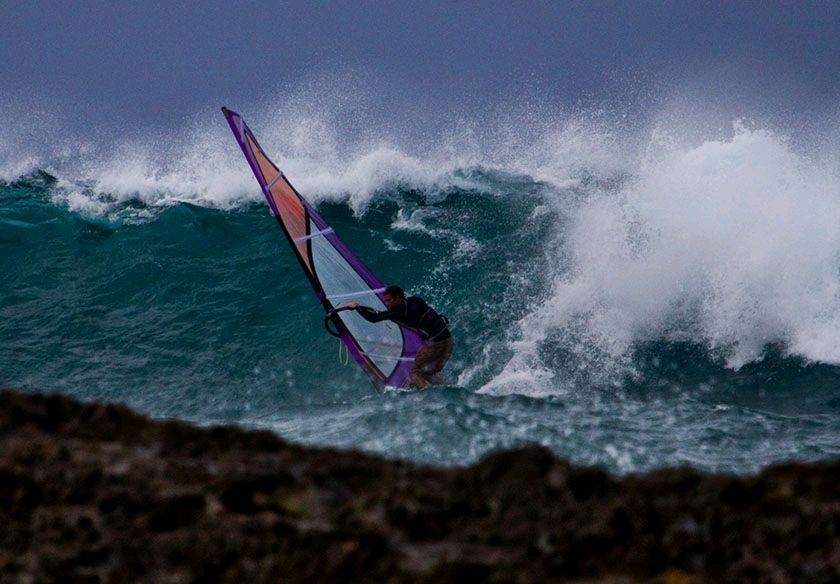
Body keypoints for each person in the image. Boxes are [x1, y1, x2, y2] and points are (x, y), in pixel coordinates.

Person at [344, 285, 453, 389]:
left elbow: (374, 318)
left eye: (389, 300)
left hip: (436, 344)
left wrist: (357, 307)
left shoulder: (395, 313)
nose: (387, 304)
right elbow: (435, 318)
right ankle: (446, 388)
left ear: (398, 298)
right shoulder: (415, 301)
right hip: (448, 341)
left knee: (415, 373)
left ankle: (427, 394)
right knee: (426, 373)